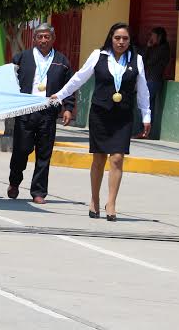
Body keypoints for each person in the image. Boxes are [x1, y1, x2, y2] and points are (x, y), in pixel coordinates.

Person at [52, 23, 151, 221]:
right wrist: (61, 95)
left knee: (117, 159)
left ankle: (112, 203)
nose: (121, 42)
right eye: (117, 38)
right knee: (99, 159)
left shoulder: (136, 59)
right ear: (111, 38)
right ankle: (95, 199)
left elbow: (143, 89)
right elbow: (79, 78)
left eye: (125, 39)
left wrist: (146, 115)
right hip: (100, 113)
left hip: (123, 116)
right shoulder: (98, 55)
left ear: (130, 41)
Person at [8, 23, 74, 204]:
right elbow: (9, 81)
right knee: (21, 151)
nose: (43, 40)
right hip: (26, 112)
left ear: (53, 39)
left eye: (47, 37)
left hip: (48, 112)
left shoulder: (62, 60)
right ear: (34, 38)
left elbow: (69, 87)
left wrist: (68, 107)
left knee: (44, 154)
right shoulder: (22, 58)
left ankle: (38, 192)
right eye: (40, 37)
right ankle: (14, 182)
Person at [143, 27, 171, 138]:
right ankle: (147, 132)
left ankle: (145, 131)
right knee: (149, 105)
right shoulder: (156, 47)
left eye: (153, 36)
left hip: (154, 80)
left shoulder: (163, 48)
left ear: (159, 37)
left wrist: (149, 48)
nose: (151, 38)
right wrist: (148, 48)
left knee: (146, 105)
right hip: (149, 79)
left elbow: (148, 62)